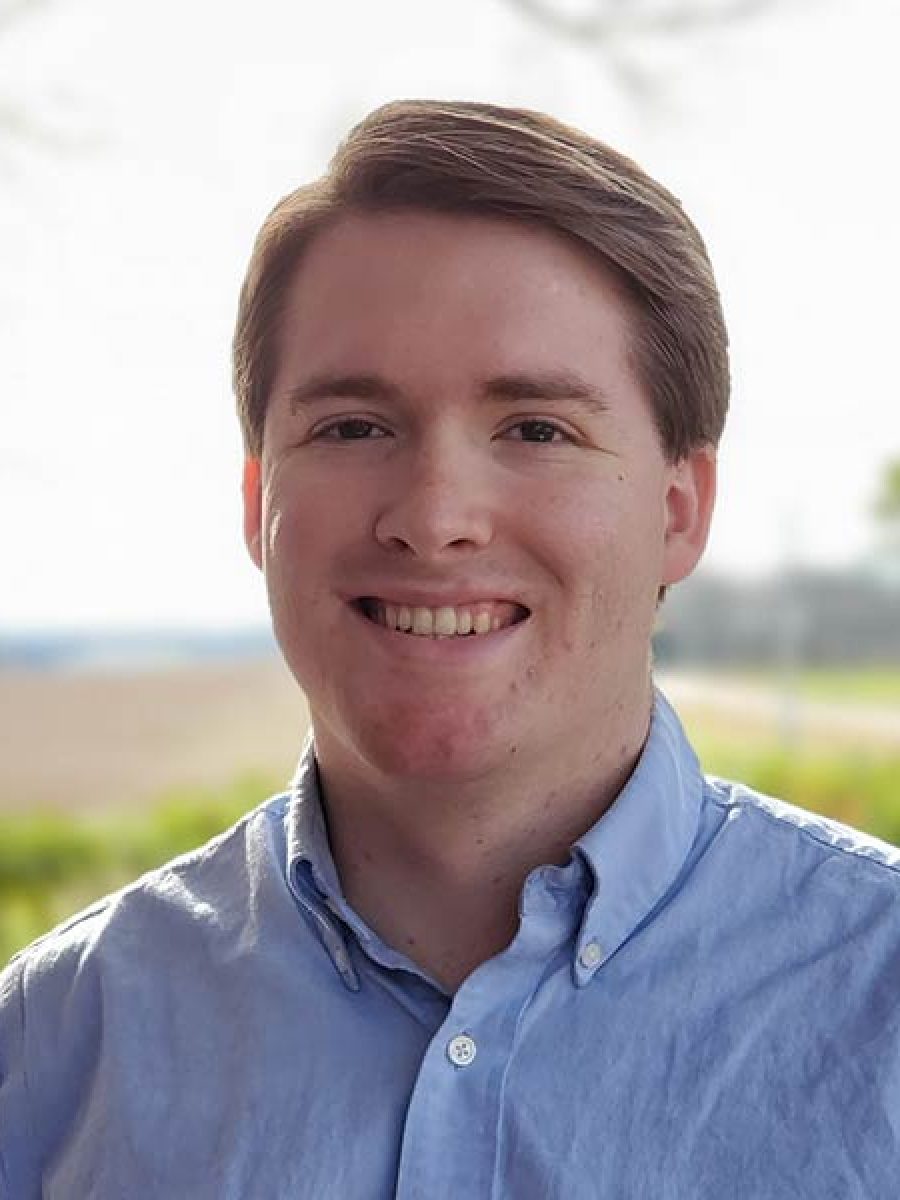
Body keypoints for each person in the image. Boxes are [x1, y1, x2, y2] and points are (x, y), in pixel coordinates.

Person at [1, 100, 898, 1199]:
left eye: (536, 429)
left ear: (679, 510)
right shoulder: (54, 1046)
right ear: (256, 503)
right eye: (353, 428)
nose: (433, 518)